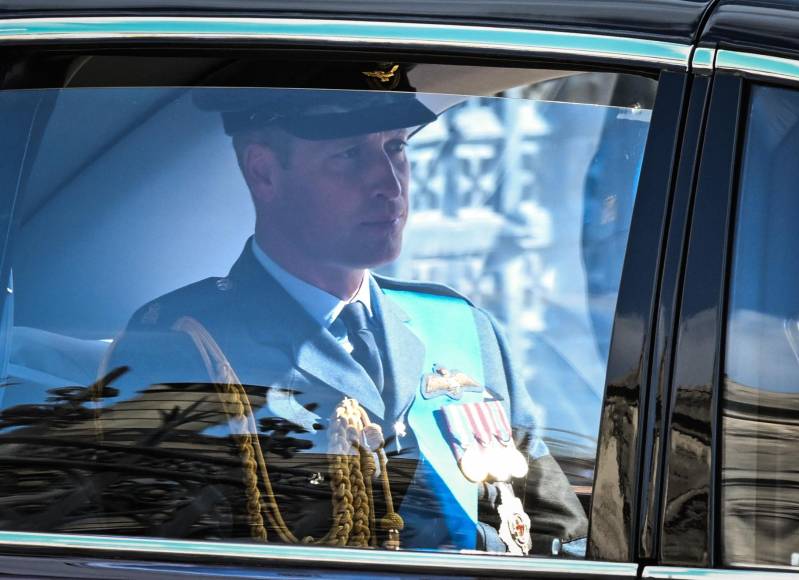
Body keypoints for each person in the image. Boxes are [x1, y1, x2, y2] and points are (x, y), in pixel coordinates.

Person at [103, 60, 588, 555]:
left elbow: (563, 539)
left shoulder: (459, 327)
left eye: (395, 147)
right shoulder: (180, 348)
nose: (389, 184)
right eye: (350, 154)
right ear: (264, 173)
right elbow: (153, 557)